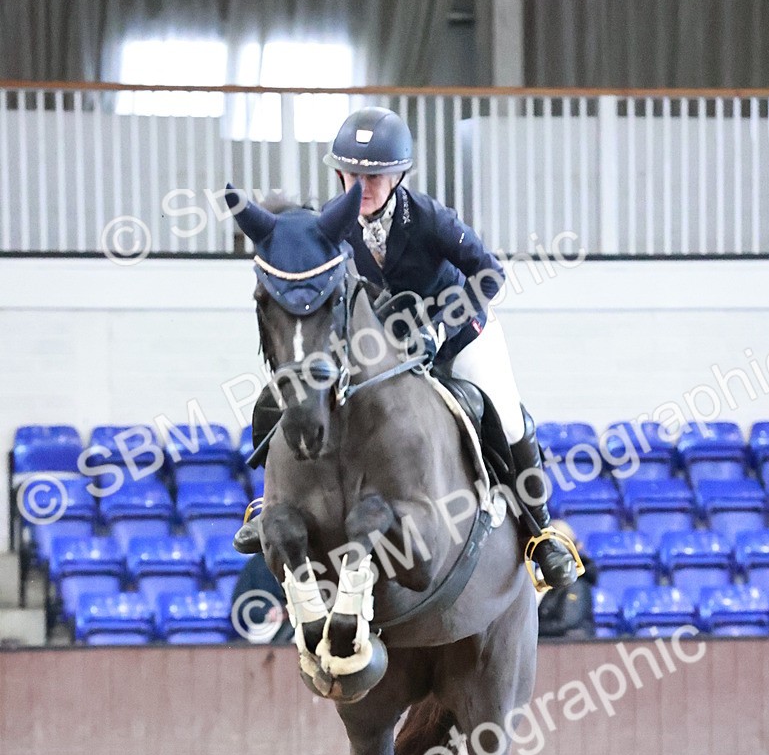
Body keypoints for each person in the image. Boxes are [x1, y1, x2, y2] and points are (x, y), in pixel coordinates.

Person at [235, 106, 576, 590]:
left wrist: (439, 327)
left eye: (375, 177)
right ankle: (269, 502)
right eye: (352, 175)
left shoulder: (429, 218)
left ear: (398, 176)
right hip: (378, 348)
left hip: (456, 335)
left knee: (505, 415)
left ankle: (540, 532)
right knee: (291, 393)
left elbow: (489, 274)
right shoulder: (329, 225)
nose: (362, 187)